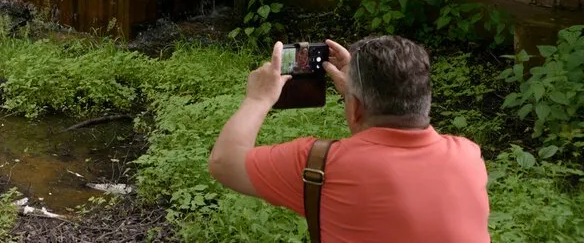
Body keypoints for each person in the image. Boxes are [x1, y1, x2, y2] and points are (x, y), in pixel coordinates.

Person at [208, 35, 489, 243]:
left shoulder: (320, 166)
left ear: (355, 109)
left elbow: (224, 162)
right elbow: (412, 125)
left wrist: (258, 98)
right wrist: (357, 93)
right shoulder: (469, 156)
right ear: (424, 97)